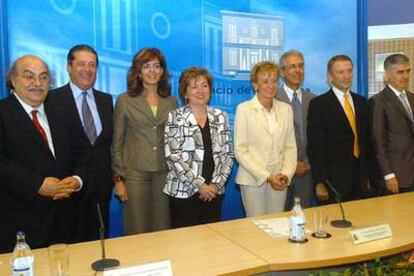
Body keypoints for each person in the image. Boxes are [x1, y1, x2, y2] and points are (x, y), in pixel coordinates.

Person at [0, 55, 84, 253]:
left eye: (44, 77)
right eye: (29, 76)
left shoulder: (62, 112)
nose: (37, 83)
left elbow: (82, 153)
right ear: (12, 79)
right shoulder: (2, 113)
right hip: (18, 224)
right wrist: (37, 185)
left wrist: (76, 179)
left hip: (64, 223)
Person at [48, 44, 113, 242]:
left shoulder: (106, 100)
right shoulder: (51, 99)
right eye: (81, 64)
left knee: (99, 246)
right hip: (67, 190)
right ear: (69, 67)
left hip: (101, 191)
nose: (87, 70)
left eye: (92, 65)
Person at [112, 48, 177, 234]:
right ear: (138, 72)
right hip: (134, 175)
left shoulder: (171, 101)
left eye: (157, 66)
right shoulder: (125, 100)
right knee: (137, 229)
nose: (152, 71)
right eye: (146, 66)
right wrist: (118, 179)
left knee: (163, 228)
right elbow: (117, 142)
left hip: (163, 174)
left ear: (163, 71)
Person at [164, 67, 233, 228]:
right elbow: (173, 156)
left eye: (204, 85)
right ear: (185, 93)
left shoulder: (220, 116)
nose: (200, 91)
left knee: (211, 244)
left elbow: (228, 155)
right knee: (186, 246)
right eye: (194, 87)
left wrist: (216, 184)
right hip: (184, 193)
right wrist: (200, 185)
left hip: (214, 192)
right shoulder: (175, 117)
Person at [234, 61, 297, 217]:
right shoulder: (244, 109)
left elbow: (290, 147)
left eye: (275, 81)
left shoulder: (286, 109)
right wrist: (267, 176)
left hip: (279, 180)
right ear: (255, 85)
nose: (271, 85)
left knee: (276, 223)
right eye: (265, 81)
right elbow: (240, 150)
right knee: (256, 228)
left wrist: (285, 174)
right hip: (253, 180)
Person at [307, 55, 371, 204]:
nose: (346, 76)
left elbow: (367, 143)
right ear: (330, 76)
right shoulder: (319, 105)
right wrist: (319, 182)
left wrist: (370, 176)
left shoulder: (362, 102)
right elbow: (316, 147)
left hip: (361, 180)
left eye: (349, 71)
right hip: (332, 183)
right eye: (340, 72)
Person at [276, 50, 315, 210]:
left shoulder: (313, 100)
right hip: (279, 172)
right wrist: (291, 164)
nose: (298, 70)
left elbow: (317, 138)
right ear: (282, 71)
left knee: (300, 222)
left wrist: (307, 163)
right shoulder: (272, 98)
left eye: (301, 66)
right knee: (277, 221)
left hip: (306, 173)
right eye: (292, 66)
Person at [369, 53, 414, 194]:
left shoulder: (412, 98)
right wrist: (388, 175)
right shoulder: (378, 101)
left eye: (408, 71)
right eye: (400, 72)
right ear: (387, 75)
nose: (405, 76)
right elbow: (378, 142)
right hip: (395, 177)